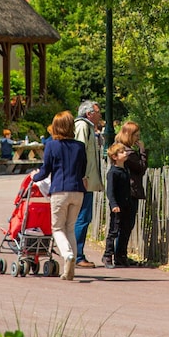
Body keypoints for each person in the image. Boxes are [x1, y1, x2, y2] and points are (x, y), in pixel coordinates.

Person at [31, 111, 87, 281]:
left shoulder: (52, 146)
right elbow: (82, 170)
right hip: (78, 191)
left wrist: (34, 177)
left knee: (57, 228)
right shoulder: (80, 146)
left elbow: (45, 170)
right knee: (70, 228)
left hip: (60, 190)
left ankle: (67, 255)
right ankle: (69, 269)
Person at [73, 100, 104, 268]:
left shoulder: (89, 127)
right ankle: (77, 256)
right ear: (89, 113)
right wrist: (83, 176)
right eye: (97, 112)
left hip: (86, 180)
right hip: (84, 181)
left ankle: (76, 254)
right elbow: (79, 152)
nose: (100, 115)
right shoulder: (82, 126)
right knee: (82, 218)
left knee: (84, 217)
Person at [114, 121, 148, 266]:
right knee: (127, 225)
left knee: (123, 225)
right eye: (136, 135)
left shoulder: (119, 149)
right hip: (130, 192)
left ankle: (119, 254)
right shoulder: (129, 153)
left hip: (123, 191)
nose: (138, 138)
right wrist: (143, 151)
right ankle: (120, 255)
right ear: (129, 135)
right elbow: (141, 168)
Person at [101, 142, 132, 269]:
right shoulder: (113, 173)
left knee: (125, 230)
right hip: (117, 206)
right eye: (122, 152)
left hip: (126, 205)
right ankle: (107, 255)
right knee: (114, 230)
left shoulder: (125, 170)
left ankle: (121, 255)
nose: (125, 153)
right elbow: (110, 191)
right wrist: (114, 204)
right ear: (115, 157)